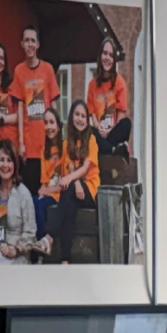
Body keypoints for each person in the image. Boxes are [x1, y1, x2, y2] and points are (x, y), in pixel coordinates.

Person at [39, 100, 102, 263]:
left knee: (69, 190)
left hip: (91, 191)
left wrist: (75, 182)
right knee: (69, 211)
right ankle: (65, 260)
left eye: (83, 116)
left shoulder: (92, 140)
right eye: (77, 115)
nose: (80, 119)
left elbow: (85, 168)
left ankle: (49, 237)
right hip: (76, 189)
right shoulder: (68, 144)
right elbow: (71, 168)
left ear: (88, 120)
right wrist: (75, 183)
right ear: (71, 117)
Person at [0, 142, 49, 264]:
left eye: (9, 160)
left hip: (16, 255)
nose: (5, 165)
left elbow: (31, 234)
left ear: (15, 165)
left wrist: (15, 250)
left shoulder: (23, 194)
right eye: (2, 160)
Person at [8, 24, 61, 191]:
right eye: (26, 41)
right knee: (29, 191)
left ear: (38, 45)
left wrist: (57, 137)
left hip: (46, 142)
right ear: (22, 44)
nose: (30, 44)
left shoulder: (47, 69)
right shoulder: (19, 71)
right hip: (29, 145)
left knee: (46, 191)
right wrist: (21, 143)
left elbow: (54, 105)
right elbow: (20, 108)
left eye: (33, 41)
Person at [87, 34, 133, 162]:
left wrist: (108, 131)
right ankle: (113, 150)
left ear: (114, 60)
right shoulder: (92, 85)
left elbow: (121, 117)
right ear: (100, 56)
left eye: (111, 55)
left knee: (126, 124)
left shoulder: (120, 83)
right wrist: (99, 128)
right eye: (105, 53)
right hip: (99, 135)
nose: (107, 58)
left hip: (113, 133)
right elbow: (93, 117)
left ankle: (109, 148)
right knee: (88, 131)